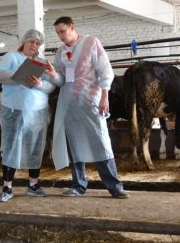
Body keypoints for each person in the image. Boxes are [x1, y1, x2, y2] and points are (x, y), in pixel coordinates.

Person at [46, 16, 127, 198]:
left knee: (100, 141)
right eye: (57, 33)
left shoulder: (91, 42)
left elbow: (105, 70)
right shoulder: (60, 52)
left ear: (72, 27)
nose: (60, 36)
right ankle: (79, 185)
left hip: (90, 101)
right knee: (74, 145)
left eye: (62, 31)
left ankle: (115, 186)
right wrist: (52, 74)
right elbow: (61, 81)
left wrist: (104, 96)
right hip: (69, 104)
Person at [0, 29, 56, 202]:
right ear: (24, 42)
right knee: (11, 145)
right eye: (31, 42)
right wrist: (21, 77)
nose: (34, 45)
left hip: (38, 112)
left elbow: (51, 87)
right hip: (14, 110)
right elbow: (0, 75)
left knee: (36, 146)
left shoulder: (42, 63)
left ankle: (33, 185)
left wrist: (39, 83)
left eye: (37, 43)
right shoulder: (12, 57)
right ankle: (7, 187)